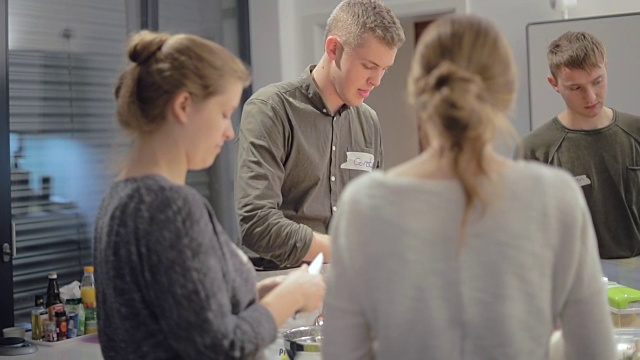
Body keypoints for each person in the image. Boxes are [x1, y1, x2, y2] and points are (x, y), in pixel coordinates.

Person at [323, 14, 615, 359]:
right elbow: (593, 350)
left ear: (418, 93)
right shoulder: (555, 197)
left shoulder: (365, 204)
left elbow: (343, 353)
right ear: (506, 95)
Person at [93, 30, 325, 360]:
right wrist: (291, 296)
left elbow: (184, 320)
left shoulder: (117, 200)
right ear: (184, 105)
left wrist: (258, 297)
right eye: (223, 113)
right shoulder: (171, 207)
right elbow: (218, 347)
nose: (229, 131)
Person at [235, 0, 405, 269]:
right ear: (334, 48)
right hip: (281, 285)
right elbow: (257, 223)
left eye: (384, 69)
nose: (377, 80)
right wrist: (342, 250)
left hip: (350, 284)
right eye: (369, 66)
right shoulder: (272, 109)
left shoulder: (368, 122)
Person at [521, 31, 640, 259]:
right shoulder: (534, 150)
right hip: (574, 281)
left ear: (606, 66)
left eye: (598, 81)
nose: (591, 97)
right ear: (554, 84)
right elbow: (526, 236)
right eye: (576, 88)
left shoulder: (636, 132)